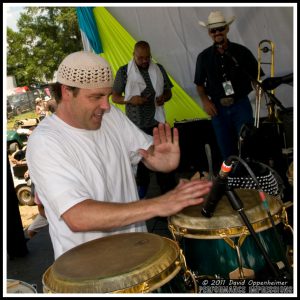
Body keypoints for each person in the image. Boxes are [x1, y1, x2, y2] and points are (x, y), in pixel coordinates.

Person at [26, 51, 212, 259]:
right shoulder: (45, 141)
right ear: (67, 91)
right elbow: (77, 216)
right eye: (96, 97)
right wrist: (160, 204)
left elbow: (143, 151)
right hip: (90, 273)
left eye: (107, 95)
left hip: (137, 255)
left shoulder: (110, 116)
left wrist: (160, 160)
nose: (106, 105)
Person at [194, 11, 264, 161]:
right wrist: (206, 102)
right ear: (209, 33)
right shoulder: (204, 57)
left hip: (241, 104)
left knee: (247, 145)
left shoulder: (241, 51)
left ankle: (249, 178)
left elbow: (256, 76)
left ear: (227, 29)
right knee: (226, 149)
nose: (217, 32)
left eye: (220, 28)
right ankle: (232, 181)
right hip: (217, 109)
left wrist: (259, 90)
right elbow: (199, 85)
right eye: (214, 30)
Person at [112, 40, 177, 199]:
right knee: (141, 169)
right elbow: (114, 97)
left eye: (147, 57)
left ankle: (168, 200)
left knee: (163, 166)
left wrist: (163, 98)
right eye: (140, 58)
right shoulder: (124, 72)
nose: (144, 61)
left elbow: (169, 92)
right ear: (133, 55)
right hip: (136, 128)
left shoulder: (159, 69)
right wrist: (130, 100)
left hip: (157, 124)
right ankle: (139, 201)